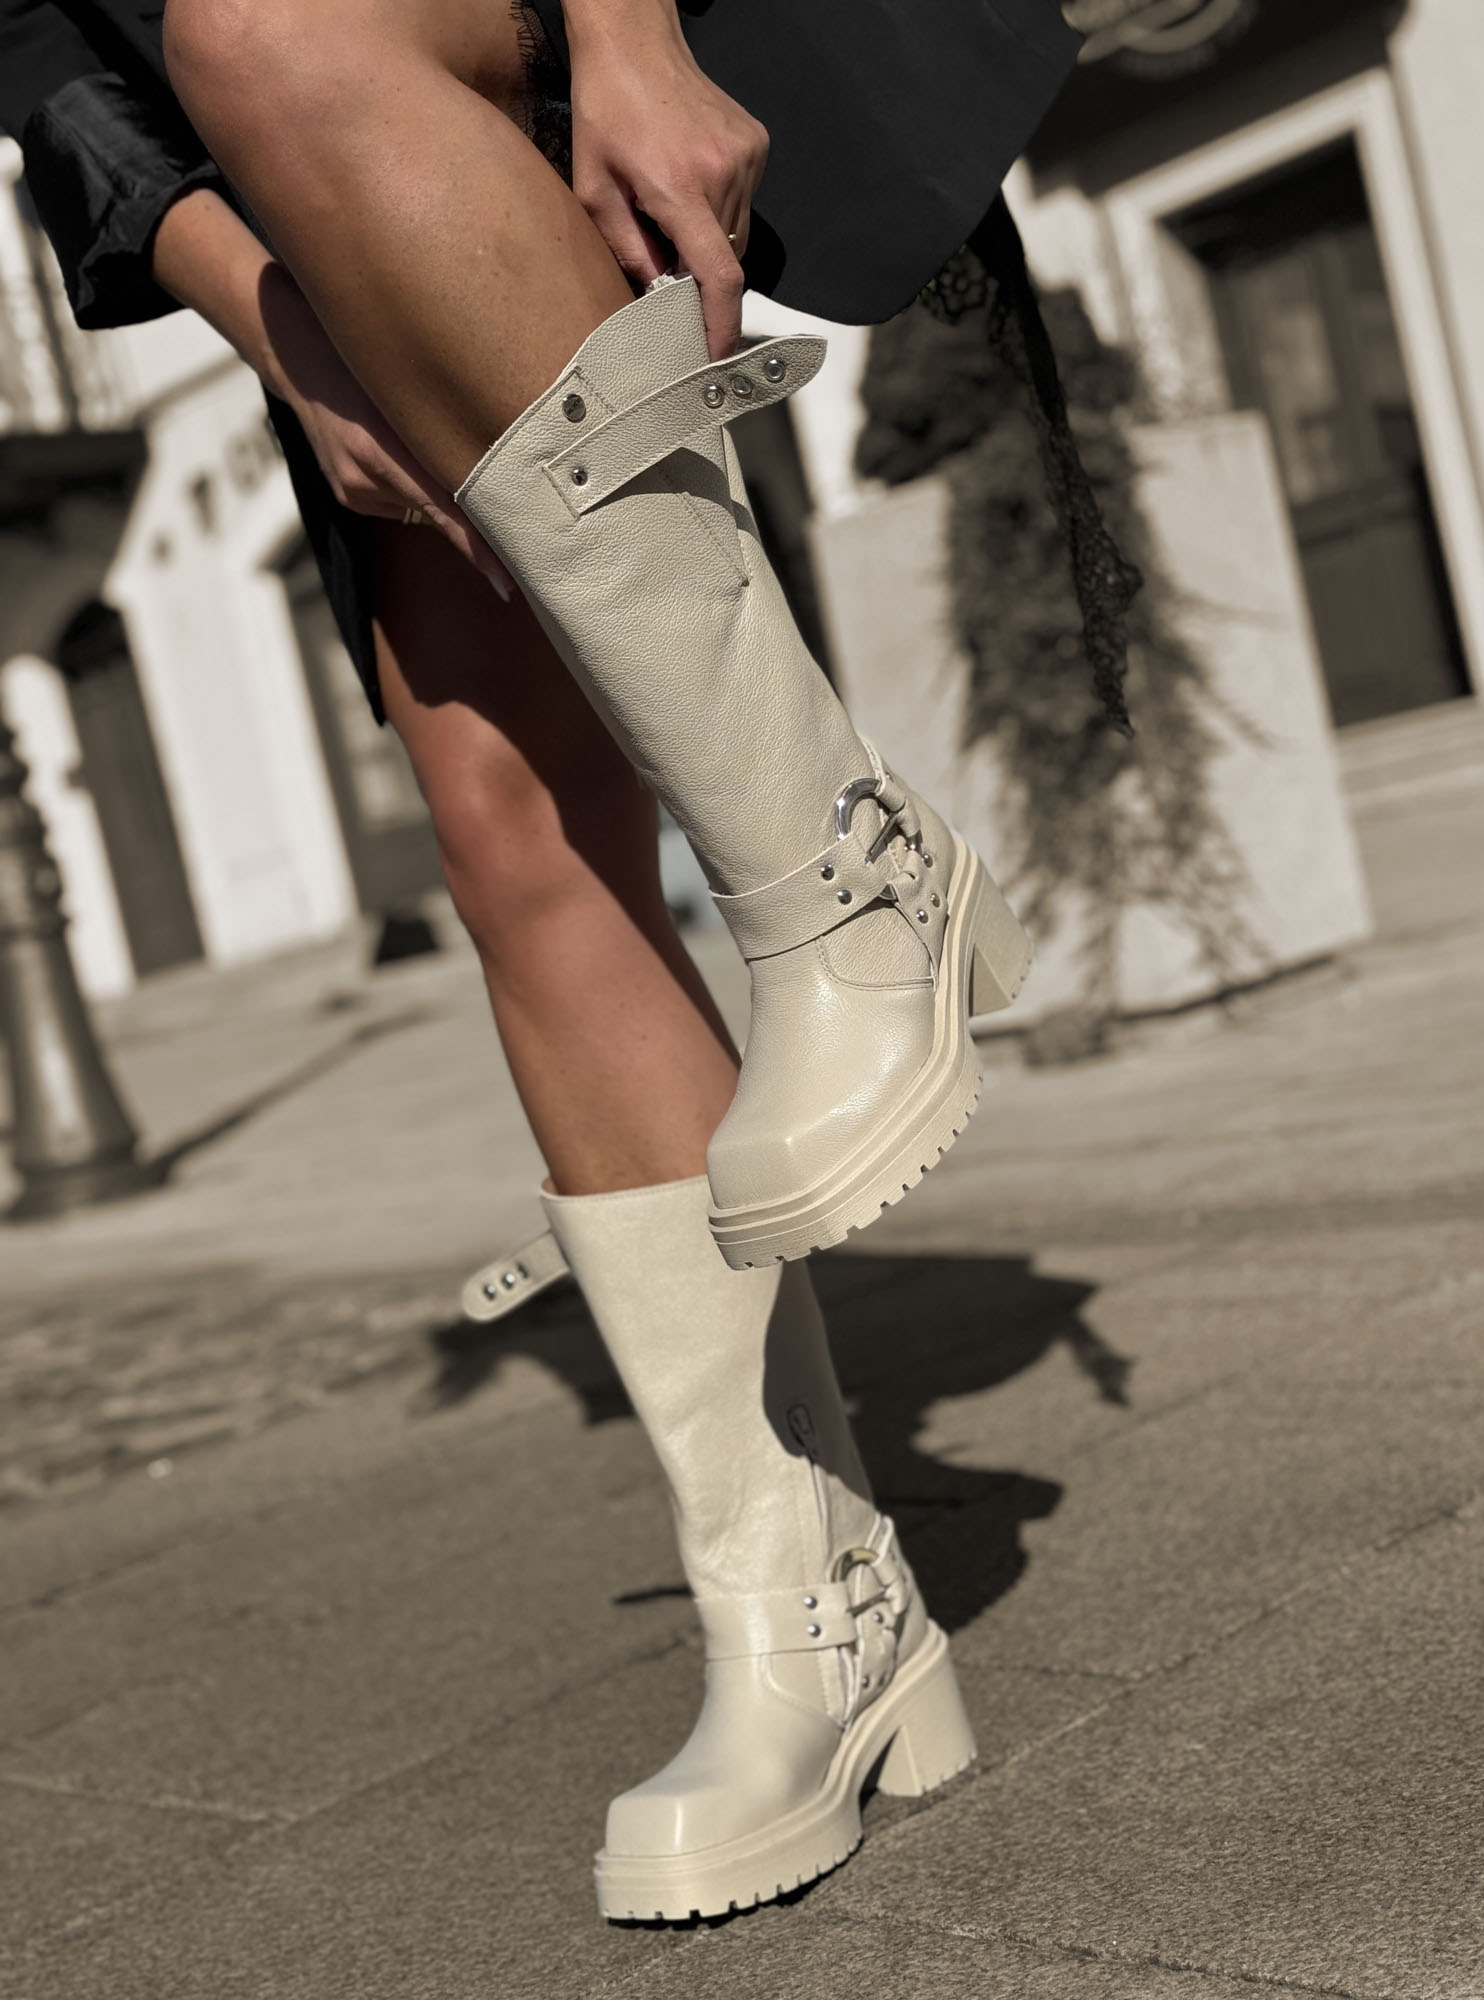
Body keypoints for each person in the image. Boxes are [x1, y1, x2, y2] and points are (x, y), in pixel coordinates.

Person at [0, 0, 1091, 1919]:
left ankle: (846, 874)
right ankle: (816, 1621)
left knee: (259, 24)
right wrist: (279, 317)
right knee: (514, 826)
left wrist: (630, 34)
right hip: (313, 183)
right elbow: (36, 37)